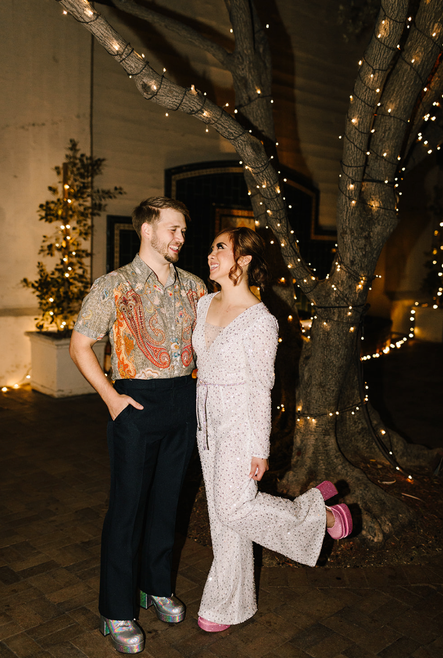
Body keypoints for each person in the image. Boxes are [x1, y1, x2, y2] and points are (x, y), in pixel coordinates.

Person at [192, 227, 352, 632]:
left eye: (221, 247)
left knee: (233, 507)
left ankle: (321, 515)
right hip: (205, 425)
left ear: (244, 260)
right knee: (222, 518)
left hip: (239, 425)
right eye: (212, 247)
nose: (211, 253)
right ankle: (228, 605)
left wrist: (259, 449)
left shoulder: (261, 321)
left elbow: (262, 389)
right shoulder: (204, 303)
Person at [70, 197, 206, 654]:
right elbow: (80, 345)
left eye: (183, 230)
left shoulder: (194, 286)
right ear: (147, 230)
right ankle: (116, 610)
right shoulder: (114, 285)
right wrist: (112, 399)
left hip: (182, 402)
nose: (180, 238)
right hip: (135, 404)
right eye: (172, 229)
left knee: (168, 504)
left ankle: (157, 587)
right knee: (127, 510)